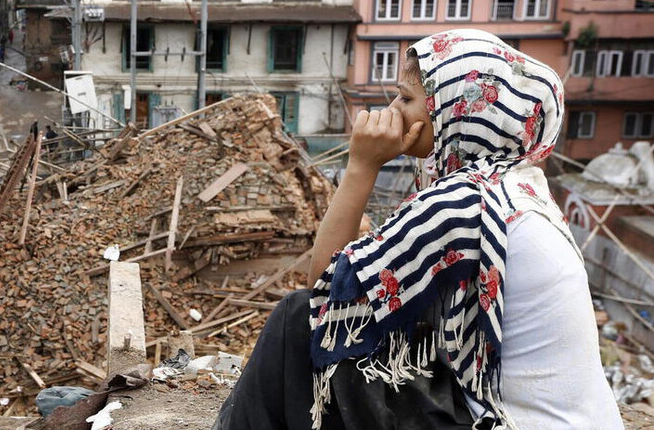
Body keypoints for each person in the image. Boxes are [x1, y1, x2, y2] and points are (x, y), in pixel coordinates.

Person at [214, 30, 622, 430]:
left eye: (406, 98)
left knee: (295, 318)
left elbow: (326, 297)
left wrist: (361, 166)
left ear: (457, 111)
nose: (392, 110)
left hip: (508, 421)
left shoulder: (463, 203)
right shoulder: (520, 187)